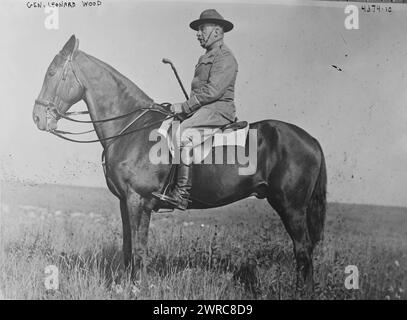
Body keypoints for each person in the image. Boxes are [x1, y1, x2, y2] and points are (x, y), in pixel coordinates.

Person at [153, 9, 238, 210]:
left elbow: (213, 91)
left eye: (202, 29)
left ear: (217, 32)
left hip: (219, 109)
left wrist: (184, 107)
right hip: (203, 109)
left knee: (184, 133)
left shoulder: (225, 57)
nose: (198, 34)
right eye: (198, 30)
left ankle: (181, 193)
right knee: (168, 127)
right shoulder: (205, 57)